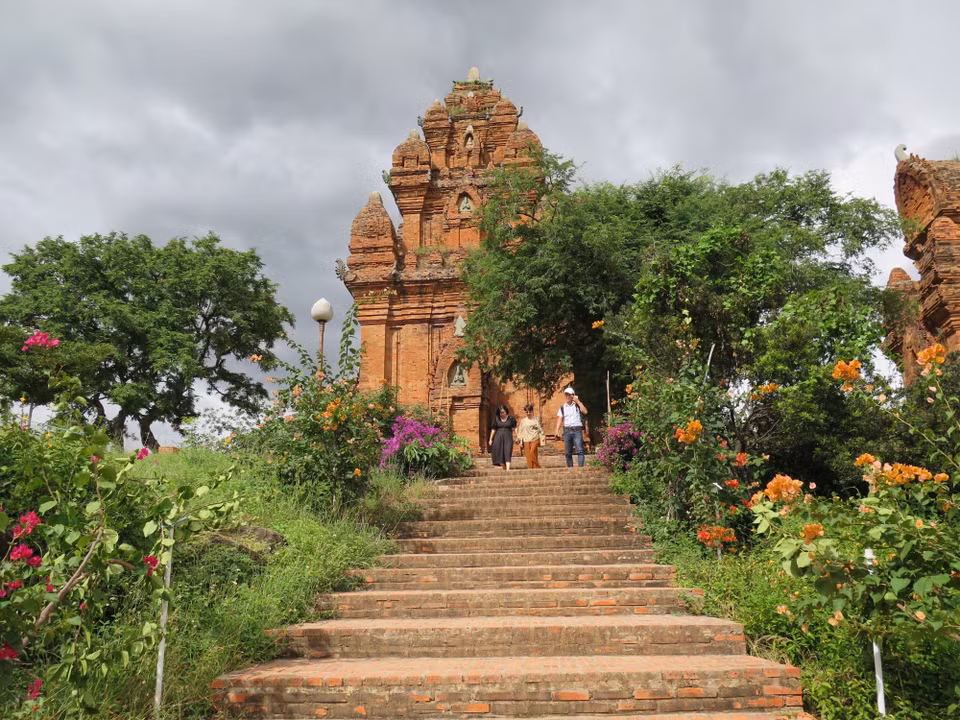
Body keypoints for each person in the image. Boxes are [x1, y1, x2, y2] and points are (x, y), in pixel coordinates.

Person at [555, 387, 588, 468]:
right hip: (567, 431)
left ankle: (581, 468)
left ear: (573, 396)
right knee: (568, 452)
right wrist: (556, 430)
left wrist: (578, 401)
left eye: (569, 395)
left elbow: (585, 411)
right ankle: (570, 468)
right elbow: (560, 419)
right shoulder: (563, 407)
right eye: (566, 394)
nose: (567, 396)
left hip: (577, 430)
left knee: (580, 450)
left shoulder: (577, 405)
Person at [488, 404, 517, 470]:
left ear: (506, 411)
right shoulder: (496, 419)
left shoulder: (511, 419)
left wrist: (517, 436)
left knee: (508, 451)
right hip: (498, 437)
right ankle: (504, 467)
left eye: (503, 412)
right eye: (500, 413)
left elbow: (515, 428)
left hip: (508, 437)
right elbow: (493, 429)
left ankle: (508, 469)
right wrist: (490, 439)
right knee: (499, 452)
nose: (502, 414)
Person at [516, 403, 545, 469]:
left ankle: (537, 466)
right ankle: (531, 468)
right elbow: (521, 430)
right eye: (527, 412)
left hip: (535, 438)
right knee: (528, 455)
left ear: (532, 411)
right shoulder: (523, 421)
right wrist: (519, 439)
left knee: (532, 452)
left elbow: (540, 429)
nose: (528, 413)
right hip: (526, 439)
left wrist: (542, 436)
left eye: (530, 411)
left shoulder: (536, 419)